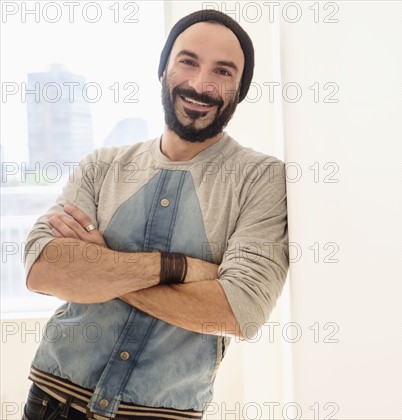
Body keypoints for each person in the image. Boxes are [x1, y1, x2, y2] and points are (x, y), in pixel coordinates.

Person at [21, 9, 289, 420]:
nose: (200, 84)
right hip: (51, 401)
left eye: (222, 71)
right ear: (163, 69)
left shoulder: (260, 178)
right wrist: (181, 268)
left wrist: (102, 268)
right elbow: (43, 270)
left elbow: (238, 311)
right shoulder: (102, 165)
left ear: (240, 89)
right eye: (187, 61)